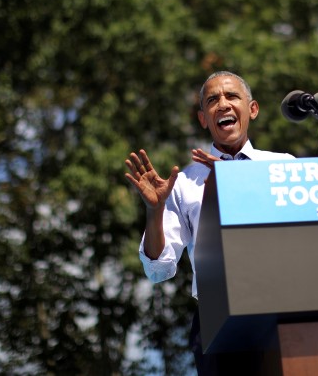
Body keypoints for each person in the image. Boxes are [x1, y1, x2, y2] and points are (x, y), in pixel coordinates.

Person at [124, 71, 293, 375]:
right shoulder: (184, 182)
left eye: (232, 96)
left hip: (282, 308)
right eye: (212, 100)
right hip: (218, 318)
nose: (223, 105)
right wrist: (155, 210)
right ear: (203, 119)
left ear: (252, 109)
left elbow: (300, 236)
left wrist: (236, 183)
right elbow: (159, 268)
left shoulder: (283, 165)